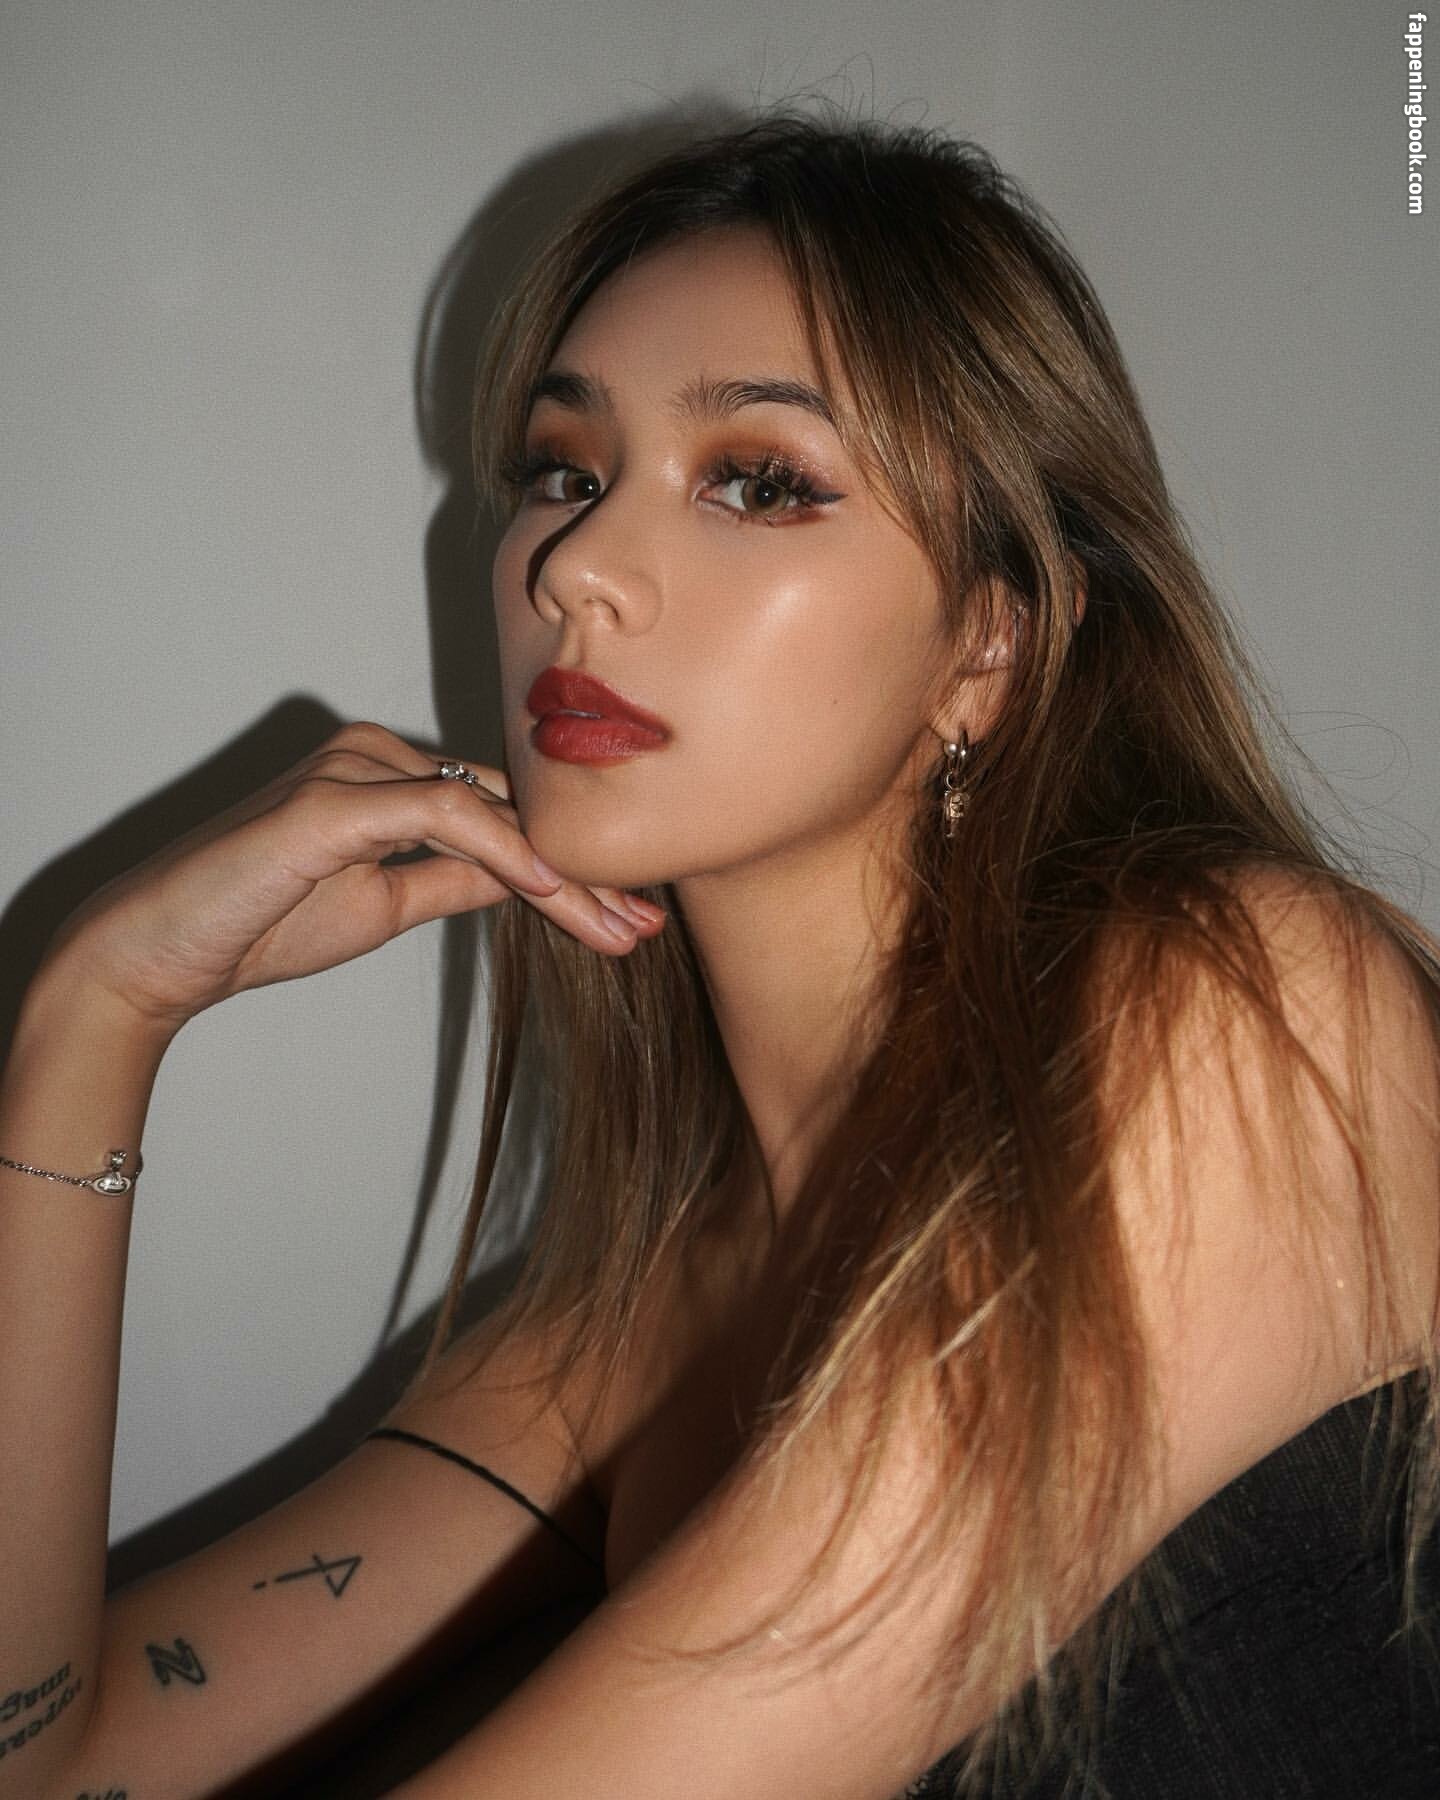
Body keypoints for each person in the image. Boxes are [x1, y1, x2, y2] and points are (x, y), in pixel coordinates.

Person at [2, 109, 1438, 1800]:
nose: (579, 567)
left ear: (988, 644)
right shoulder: (633, 1322)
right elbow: (57, 1755)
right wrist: (98, 1012)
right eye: (564, 469)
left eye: (757, 481)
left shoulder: (1263, 1026)